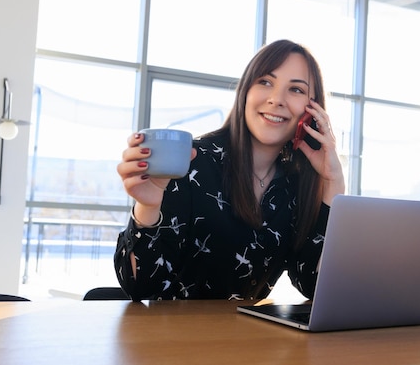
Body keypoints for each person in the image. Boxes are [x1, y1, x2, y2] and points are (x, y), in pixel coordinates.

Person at [114, 39, 345, 301]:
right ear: (245, 92)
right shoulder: (190, 161)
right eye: (265, 82)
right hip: (174, 338)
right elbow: (140, 287)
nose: (276, 99)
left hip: (247, 338)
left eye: (295, 89)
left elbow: (313, 284)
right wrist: (147, 207)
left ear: (311, 110)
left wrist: (333, 183)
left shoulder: (293, 183)